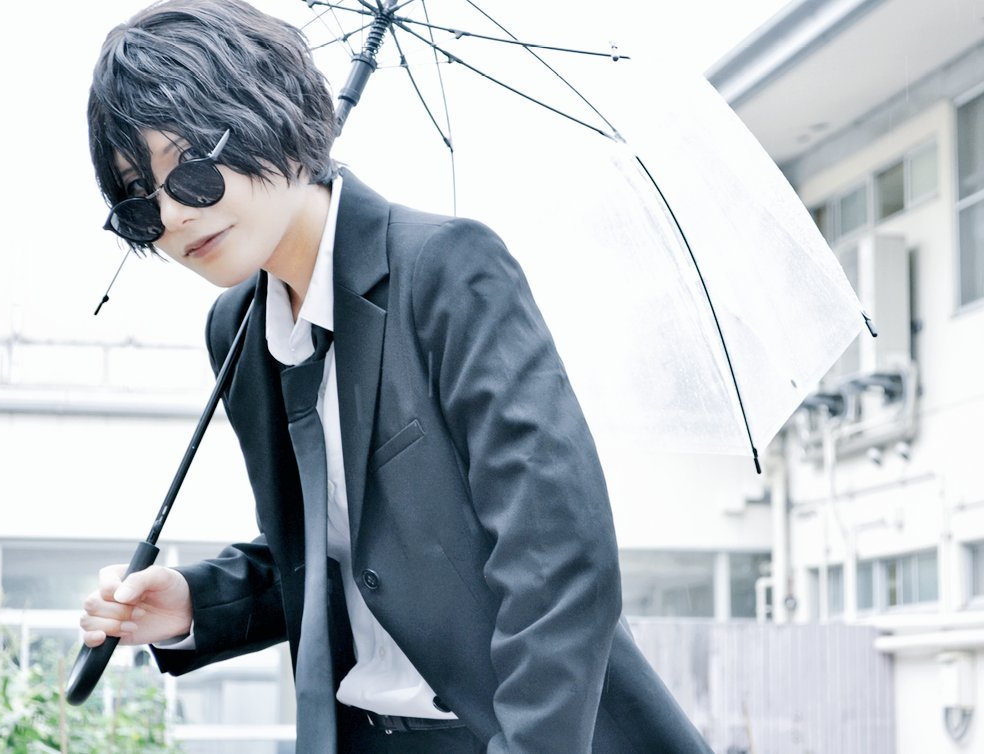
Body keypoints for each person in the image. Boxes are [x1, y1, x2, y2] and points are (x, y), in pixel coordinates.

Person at [79, 1, 713, 752]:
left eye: (190, 168)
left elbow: (560, 560)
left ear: (267, 115)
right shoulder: (239, 329)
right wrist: (194, 603)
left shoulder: (446, 271)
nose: (173, 215)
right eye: (138, 201)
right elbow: (339, 550)